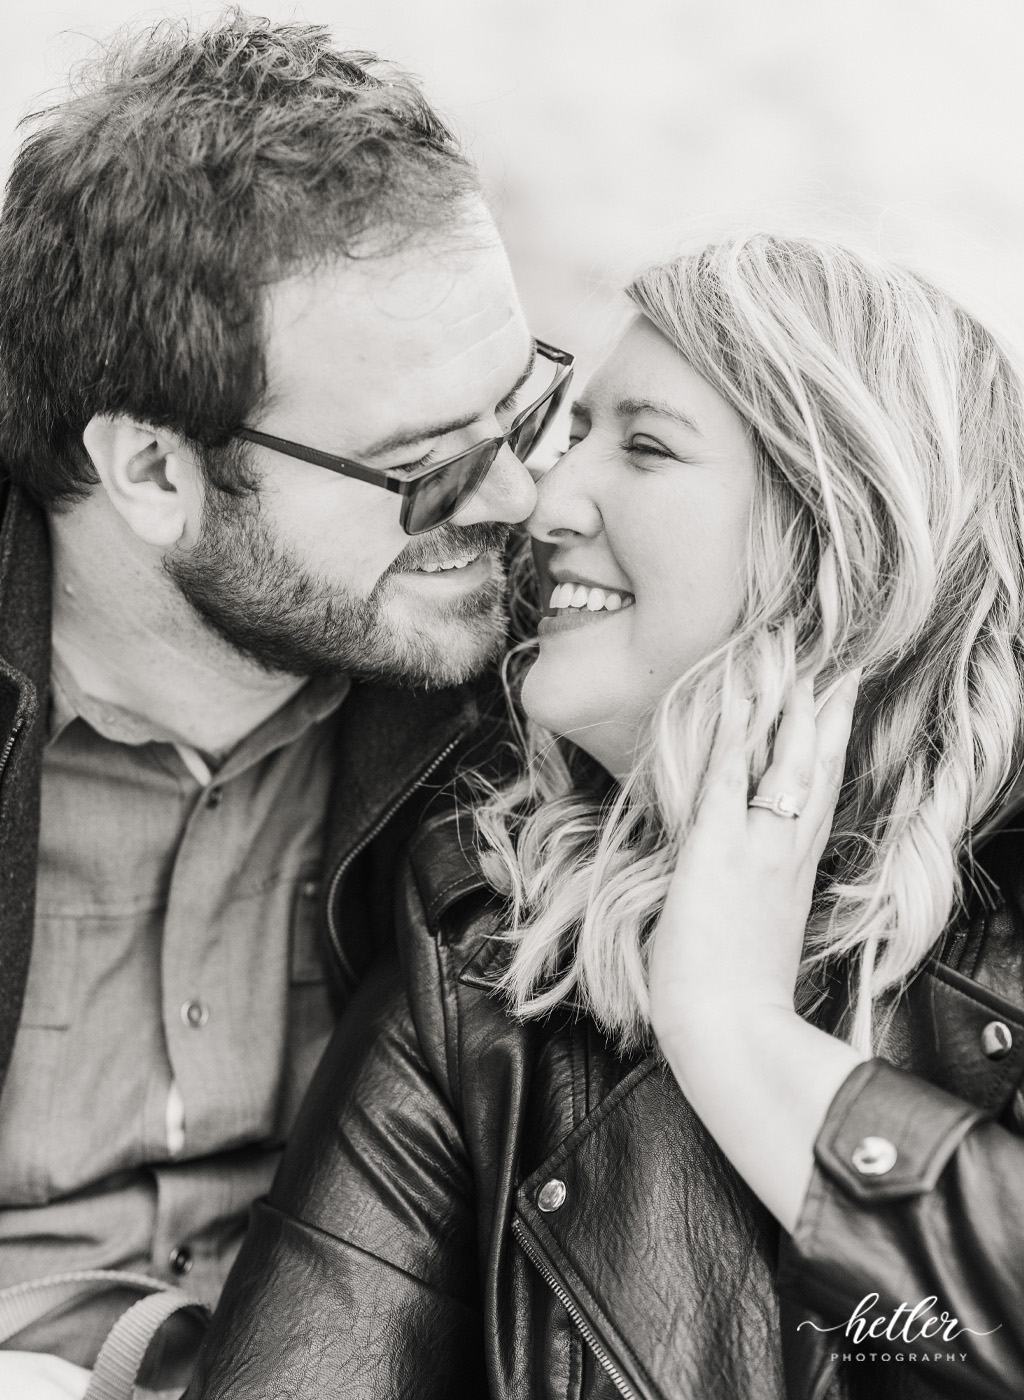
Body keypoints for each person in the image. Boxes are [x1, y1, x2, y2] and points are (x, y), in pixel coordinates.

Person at [186, 234, 1024, 1400]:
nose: (541, 498)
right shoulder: (486, 936)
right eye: (574, 430)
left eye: (642, 445)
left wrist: (734, 1027)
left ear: (841, 539)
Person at [0, 12, 574, 1398]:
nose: (515, 504)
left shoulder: (530, 683)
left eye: (529, 414)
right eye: (427, 470)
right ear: (151, 473)